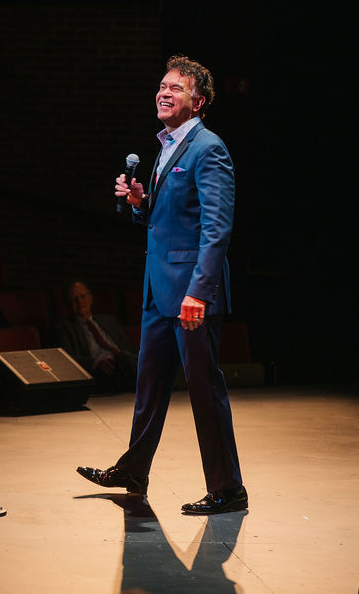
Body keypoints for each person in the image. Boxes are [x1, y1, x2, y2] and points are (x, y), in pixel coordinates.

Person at [77, 55, 245, 515]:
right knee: (148, 385)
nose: (163, 92)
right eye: (161, 85)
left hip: (191, 293)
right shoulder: (167, 146)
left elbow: (216, 228)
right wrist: (139, 202)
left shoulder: (209, 148)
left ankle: (228, 488)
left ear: (200, 101)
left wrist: (199, 292)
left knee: (204, 390)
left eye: (176, 87)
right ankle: (133, 468)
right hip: (158, 290)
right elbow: (166, 218)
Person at [54, 280, 137, 392]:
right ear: (67, 304)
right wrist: (96, 362)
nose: (80, 302)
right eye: (74, 299)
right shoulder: (64, 327)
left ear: (91, 298)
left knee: (128, 357)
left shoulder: (109, 320)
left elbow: (129, 348)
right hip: (98, 370)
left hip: (121, 361)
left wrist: (121, 356)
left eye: (83, 296)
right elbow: (67, 358)